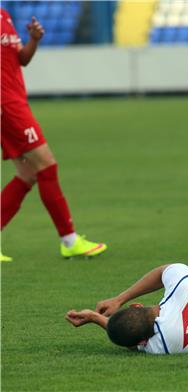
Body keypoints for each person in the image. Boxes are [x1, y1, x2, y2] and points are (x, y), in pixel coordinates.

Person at [0, 9, 107, 262]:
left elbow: (20, 60)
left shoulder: (3, 14)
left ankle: (69, 240)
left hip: (14, 101)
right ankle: (69, 240)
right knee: (47, 165)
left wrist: (34, 40)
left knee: (28, 173)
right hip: (7, 105)